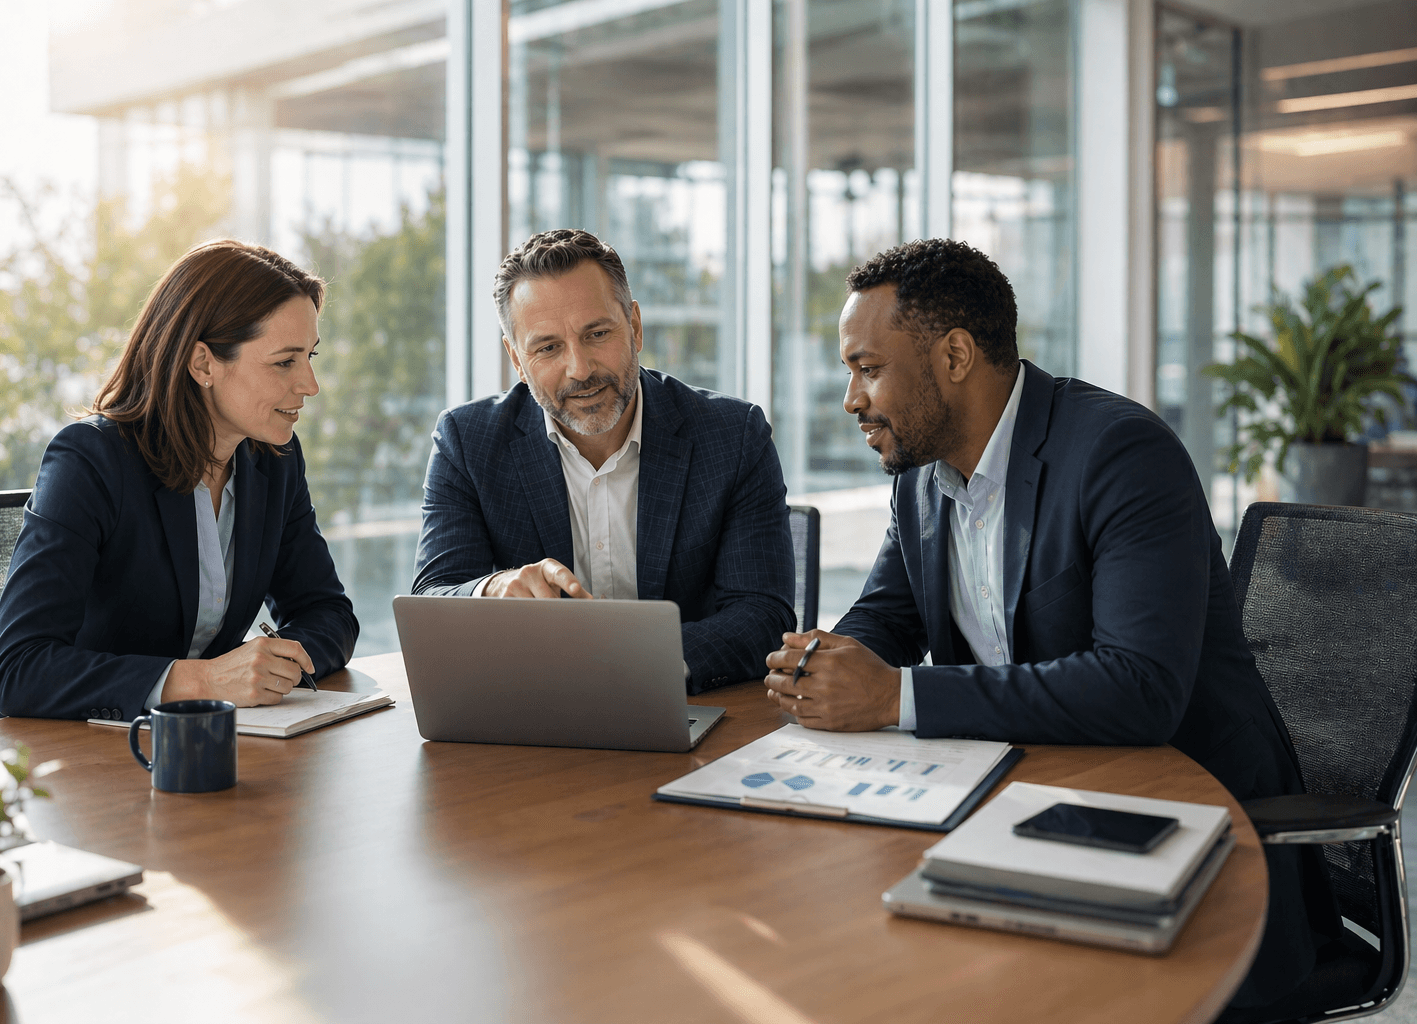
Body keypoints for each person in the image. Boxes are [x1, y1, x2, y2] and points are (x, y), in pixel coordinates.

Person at [762, 239, 1338, 1010]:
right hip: (1031, 803)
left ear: (956, 355)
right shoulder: (922, 480)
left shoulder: (1119, 453)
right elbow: (887, 617)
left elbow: (1138, 689)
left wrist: (895, 697)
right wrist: (821, 663)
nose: (851, 400)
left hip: (1195, 832)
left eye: (868, 369)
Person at [0, 240, 359, 729]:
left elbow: (328, 612)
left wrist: (271, 667)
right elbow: (21, 669)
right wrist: (203, 682)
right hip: (32, 757)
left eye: (310, 356)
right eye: (285, 361)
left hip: (171, 747)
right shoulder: (92, 459)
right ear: (203, 363)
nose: (310, 384)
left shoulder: (274, 462)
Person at [412, 228, 793, 692]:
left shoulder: (733, 436)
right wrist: (493, 590)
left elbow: (762, 616)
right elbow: (433, 596)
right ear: (516, 357)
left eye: (597, 334)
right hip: (534, 717)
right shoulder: (467, 442)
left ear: (634, 325)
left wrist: (628, 665)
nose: (580, 369)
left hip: (689, 710)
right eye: (548, 347)